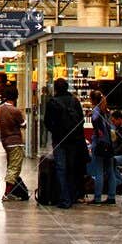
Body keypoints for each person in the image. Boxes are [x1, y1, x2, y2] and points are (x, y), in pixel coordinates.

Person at [43, 77, 83, 210]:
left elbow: (47, 122)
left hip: (59, 139)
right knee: (72, 168)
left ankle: (64, 198)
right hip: (74, 140)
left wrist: (55, 130)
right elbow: (81, 120)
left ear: (55, 88)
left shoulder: (52, 102)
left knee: (61, 168)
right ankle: (72, 196)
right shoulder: (74, 101)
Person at [89, 90, 121, 204]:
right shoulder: (107, 112)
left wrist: (98, 134)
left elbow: (96, 124)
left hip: (100, 144)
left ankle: (98, 197)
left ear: (93, 100)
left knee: (99, 171)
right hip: (110, 144)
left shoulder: (96, 112)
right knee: (110, 170)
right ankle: (111, 196)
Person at [0, 82, 27, 199]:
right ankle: (7, 193)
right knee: (14, 168)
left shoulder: (1, 109)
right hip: (15, 141)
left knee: (11, 166)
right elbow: (23, 124)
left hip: (5, 141)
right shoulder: (15, 111)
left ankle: (13, 191)